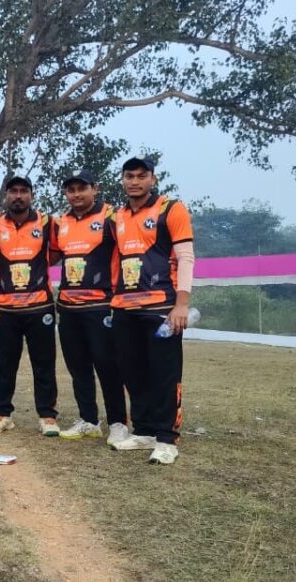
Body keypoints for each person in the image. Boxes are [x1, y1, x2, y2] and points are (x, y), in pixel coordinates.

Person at [109, 156, 195, 465]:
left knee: (165, 373)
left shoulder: (171, 209)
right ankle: (144, 430)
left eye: (141, 176)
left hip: (161, 306)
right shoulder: (116, 216)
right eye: (129, 176)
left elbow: (186, 257)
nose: (134, 181)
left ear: (152, 179)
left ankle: (167, 438)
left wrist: (181, 304)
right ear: (123, 180)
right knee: (133, 372)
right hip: (125, 308)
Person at [52, 169, 129, 446]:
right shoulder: (61, 222)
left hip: (101, 306)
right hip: (68, 307)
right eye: (71, 190)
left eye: (81, 188)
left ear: (94, 189)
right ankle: (89, 420)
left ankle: (118, 423)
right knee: (78, 367)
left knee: (107, 366)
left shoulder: (112, 217)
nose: (76, 194)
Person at [0, 176, 61, 437]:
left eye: (23, 191)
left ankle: (47, 416)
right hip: (6, 308)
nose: (18, 196)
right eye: (13, 191)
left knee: (44, 363)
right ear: (6, 195)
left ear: (31, 195)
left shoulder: (46, 223)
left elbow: (55, 253)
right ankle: (1, 414)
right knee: (5, 364)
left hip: (40, 306)